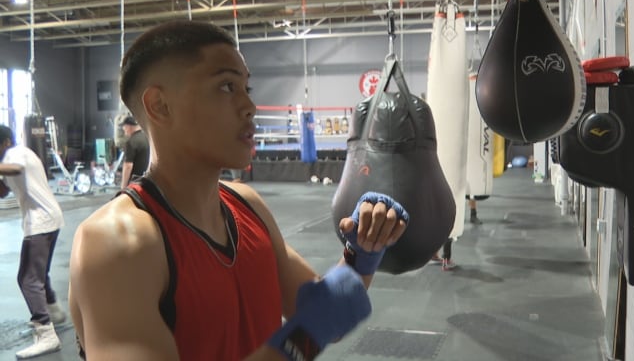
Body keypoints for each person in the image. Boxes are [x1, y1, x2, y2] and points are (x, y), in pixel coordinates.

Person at [68, 20, 408, 361]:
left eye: (248, 88)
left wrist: (362, 251)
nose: (250, 106)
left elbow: (326, 308)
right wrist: (302, 337)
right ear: (160, 106)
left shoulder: (246, 205)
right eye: (227, 87)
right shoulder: (117, 244)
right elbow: (311, 327)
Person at [0, 125, 66, 359]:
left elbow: (15, 170)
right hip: (49, 218)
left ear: (6, 142)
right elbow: (4, 191)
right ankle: (54, 312)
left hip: (40, 222)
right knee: (39, 274)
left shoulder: (15, 154)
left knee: (28, 279)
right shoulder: (18, 155)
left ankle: (45, 332)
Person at [119, 115, 150, 189]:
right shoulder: (147, 138)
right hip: (147, 180)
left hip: (135, 183)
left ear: (129, 126)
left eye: (124, 126)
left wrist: (123, 186)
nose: (123, 129)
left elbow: (128, 166)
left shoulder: (131, 142)